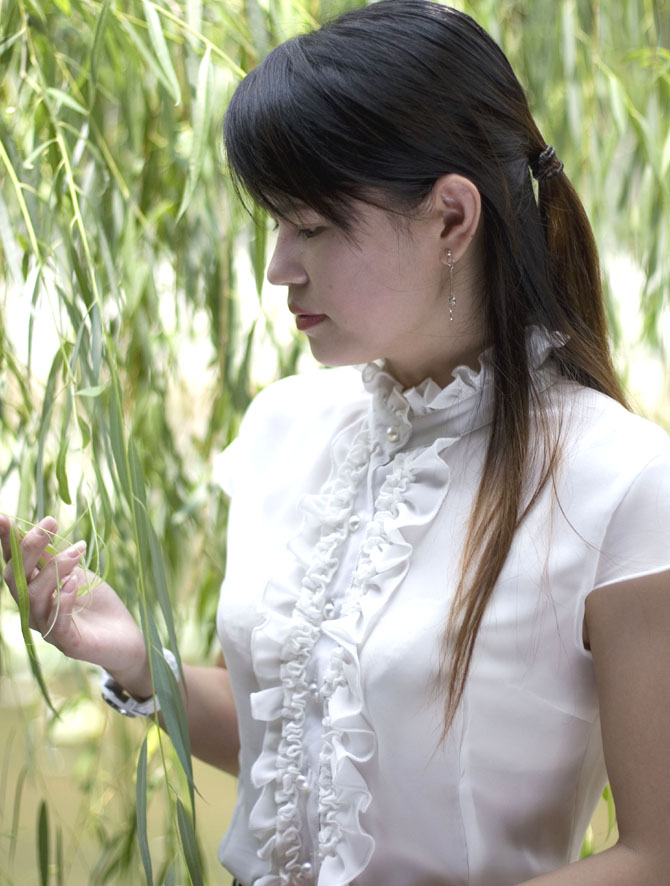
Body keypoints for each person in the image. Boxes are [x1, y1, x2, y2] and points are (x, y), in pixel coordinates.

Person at [2, 1, 670, 883]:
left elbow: (655, 855)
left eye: (312, 225)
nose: (279, 265)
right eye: (275, 223)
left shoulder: (621, 482)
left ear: (451, 220)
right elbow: (301, 756)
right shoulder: (284, 427)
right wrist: (138, 663)